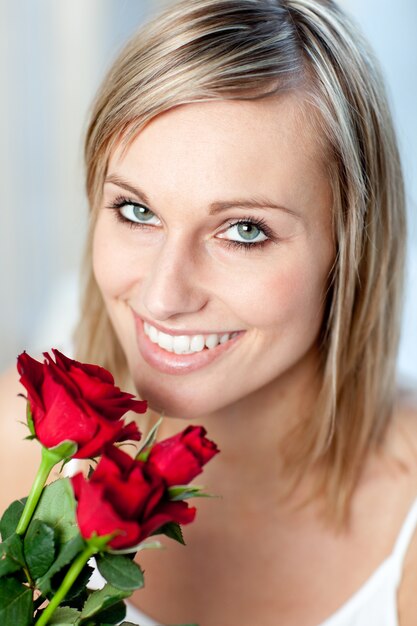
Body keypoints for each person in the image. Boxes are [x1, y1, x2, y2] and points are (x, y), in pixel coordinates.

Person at [1, 0, 417, 624]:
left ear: (348, 250)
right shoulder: (15, 449)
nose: (164, 295)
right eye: (137, 211)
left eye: (244, 230)